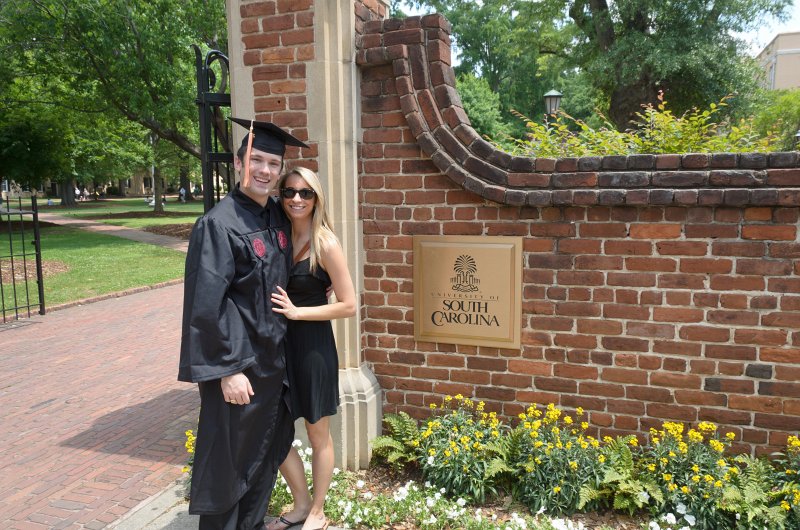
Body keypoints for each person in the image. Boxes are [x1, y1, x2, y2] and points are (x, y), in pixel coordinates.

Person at [178, 117, 309, 530]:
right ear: (238, 164)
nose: (265, 170)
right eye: (256, 159)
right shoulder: (219, 224)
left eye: (273, 163)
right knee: (228, 468)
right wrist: (227, 371)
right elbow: (204, 306)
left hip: (272, 366)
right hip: (240, 370)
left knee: (261, 462)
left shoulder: (275, 216)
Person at [266, 167, 356, 530]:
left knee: (318, 433)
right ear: (281, 196)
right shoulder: (277, 237)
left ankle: (317, 510)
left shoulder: (325, 243)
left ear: (316, 197)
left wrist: (299, 311)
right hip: (276, 349)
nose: (297, 199)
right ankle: (301, 502)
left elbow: (349, 304)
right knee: (272, 432)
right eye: (289, 192)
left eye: (306, 193)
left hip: (313, 348)